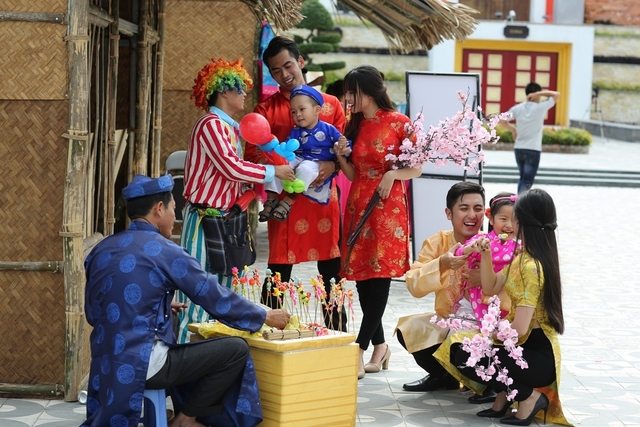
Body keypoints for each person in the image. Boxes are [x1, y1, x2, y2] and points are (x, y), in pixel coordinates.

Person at [82, 174, 291, 427]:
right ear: (159, 209)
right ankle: (186, 419)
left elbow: (95, 311)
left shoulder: (102, 249)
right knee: (235, 350)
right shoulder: (164, 250)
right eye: (173, 208)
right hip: (143, 363)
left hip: (105, 363)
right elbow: (213, 296)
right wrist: (263, 316)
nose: (175, 216)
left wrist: (157, 305)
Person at [174, 58, 295, 343]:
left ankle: (206, 362)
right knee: (197, 293)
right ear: (223, 92)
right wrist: (273, 170)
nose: (243, 94)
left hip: (223, 220)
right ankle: (182, 367)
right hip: (206, 219)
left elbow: (232, 175)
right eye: (239, 88)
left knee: (220, 294)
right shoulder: (212, 125)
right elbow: (231, 167)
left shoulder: (227, 128)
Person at [439, 188, 571, 426]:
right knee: (463, 349)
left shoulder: (530, 266)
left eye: (514, 217)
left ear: (522, 221)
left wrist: (487, 336)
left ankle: (530, 397)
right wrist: (486, 254)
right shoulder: (521, 257)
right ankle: (506, 397)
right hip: (524, 350)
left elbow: (519, 329)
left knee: (464, 353)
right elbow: (490, 286)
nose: (511, 223)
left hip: (537, 357)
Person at [245, 36, 347, 330]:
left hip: (322, 199)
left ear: (301, 62)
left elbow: (345, 148)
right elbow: (253, 154)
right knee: (278, 268)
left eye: (288, 65)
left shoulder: (331, 105)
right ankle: (266, 333)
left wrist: (333, 164)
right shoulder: (265, 110)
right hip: (284, 205)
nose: (284, 74)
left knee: (331, 270)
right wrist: (279, 168)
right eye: (276, 70)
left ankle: (336, 336)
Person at [334, 65, 422, 379]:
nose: (347, 98)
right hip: (358, 204)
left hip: (388, 207)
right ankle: (381, 346)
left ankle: (358, 350)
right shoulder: (352, 124)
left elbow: (417, 167)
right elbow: (353, 174)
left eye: (351, 91)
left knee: (380, 276)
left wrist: (391, 173)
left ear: (369, 91)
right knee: (362, 277)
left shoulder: (400, 123)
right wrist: (341, 155)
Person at [394, 182, 487, 392]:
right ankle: (443, 376)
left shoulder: (492, 244)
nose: (472, 215)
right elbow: (414, 284)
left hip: (484, 325)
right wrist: (442, 263)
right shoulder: (437, 242)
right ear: (448, 213)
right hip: (448, 319)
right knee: (409, 329)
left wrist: (485, 279)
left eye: (478, 208)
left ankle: (487, 383)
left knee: (462, 343)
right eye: (464, 208)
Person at [260, 85, 350, 221]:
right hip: (298, 157)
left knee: (305, 168)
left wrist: (342, 145)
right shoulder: (295, 131)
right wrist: (280, 152)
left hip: (316, 162)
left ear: (317, 110)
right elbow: (288, 147)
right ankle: (271, 199)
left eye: (302, 109)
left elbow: (343, 144)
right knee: (278, 166)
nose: (298, 115)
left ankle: (288, 202)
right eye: (294, 112)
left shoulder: (328, 129)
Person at [455, 192, 517, 321]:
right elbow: (458, 253)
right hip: (471, 304)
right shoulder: (481, 240)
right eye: (503, 219)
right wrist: (472, 247)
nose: (509, 225)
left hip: (501, 306)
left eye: (515, 220)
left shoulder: (519, 248)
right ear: (491, 217)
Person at [499, 83, 560, 194]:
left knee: (523, 178)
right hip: (533, 149)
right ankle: (521, 205)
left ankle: (518, 203)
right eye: (539, 94)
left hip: (519, 148)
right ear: (536, 93)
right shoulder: (540, 107)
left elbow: (501, 120)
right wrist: (538, 93)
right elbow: (556, 94)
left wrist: (513, 129)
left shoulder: (518, 108)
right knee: (527, 180)